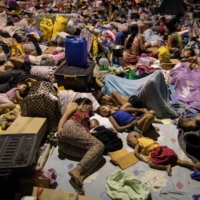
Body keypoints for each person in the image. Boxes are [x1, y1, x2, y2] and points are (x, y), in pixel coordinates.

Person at [57, 98, 104, 195]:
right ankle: (77, 170)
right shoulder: (76, 105)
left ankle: (80, 178)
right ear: (84, 104)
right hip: (70, 127)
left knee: (97, 156)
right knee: (99, 145)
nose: (90, 110)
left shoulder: (86, 122)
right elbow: (65, 115)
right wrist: (59, 128)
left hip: (66, 146)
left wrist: (90, 132)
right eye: (89, 107)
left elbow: (81, 137)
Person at [127, 131, 200, 176]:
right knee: (179, 161)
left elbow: (136, 153)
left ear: (135, 137)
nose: (132, 145)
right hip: (163, 149)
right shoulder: (144, 137)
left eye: (130, 142)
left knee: (151, 164)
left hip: (155, 153)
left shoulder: (138, 142)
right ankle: (195, 165)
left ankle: (165, 167)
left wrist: (143, 159)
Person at [92, 90, 163, 124]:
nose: (104, 102)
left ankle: (143, 110)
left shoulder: (113, 94)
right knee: (141, 118)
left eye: (103, 99)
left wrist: (120, 107)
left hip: (133, 99)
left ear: (104, 95)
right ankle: (153, 119)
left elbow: (123, 104)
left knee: (123, 108)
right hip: (133, 107)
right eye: (102, 102)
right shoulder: (110, 105)